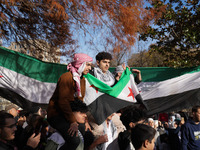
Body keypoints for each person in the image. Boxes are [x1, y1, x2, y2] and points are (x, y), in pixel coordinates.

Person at [47, 53, 93, 150]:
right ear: (80, 64)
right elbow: (63, 102)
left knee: (88, 134)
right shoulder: (66, 77)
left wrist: (85, 121)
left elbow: (80, 103)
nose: (90, 68)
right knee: (74, 140)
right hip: (57, 115)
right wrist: (72, 122)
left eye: (90, 65)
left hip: (70, 115)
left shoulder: (82, 80)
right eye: (87, 64)